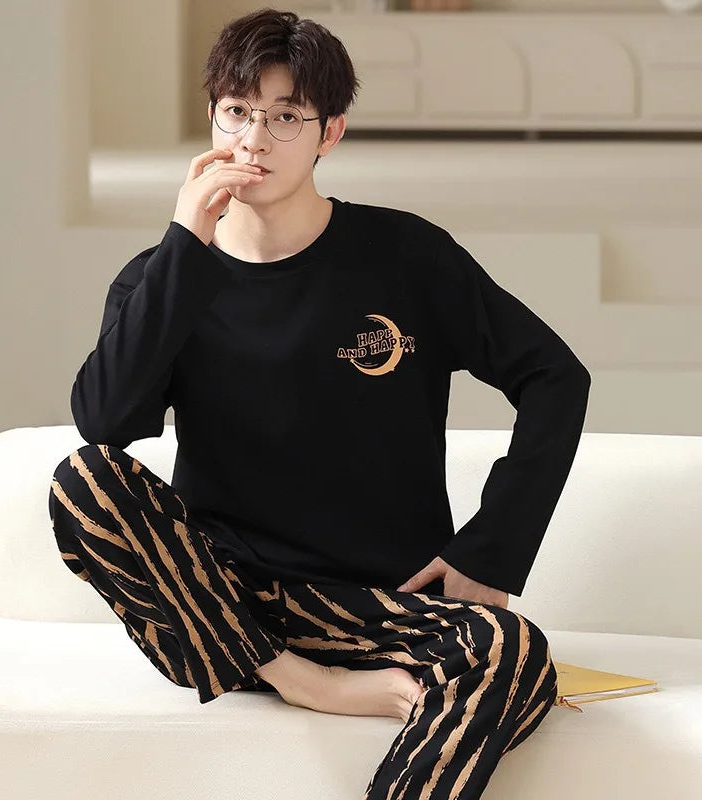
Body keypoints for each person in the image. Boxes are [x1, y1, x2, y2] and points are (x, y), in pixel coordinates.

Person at [49, 7, 591, 799]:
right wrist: (185, 240)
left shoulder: (405, 256)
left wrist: (491, 549)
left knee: (512, 651)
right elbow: (104, 423)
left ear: (329, 133)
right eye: (237, 112)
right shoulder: (163, 278)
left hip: (375, 607)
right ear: (212, 117)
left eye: (285, 117)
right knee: (82, 480)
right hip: (221, 609)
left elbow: (555, 377)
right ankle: (298, 679)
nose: (254, 141)